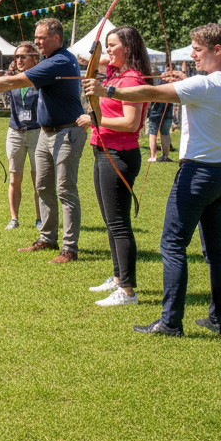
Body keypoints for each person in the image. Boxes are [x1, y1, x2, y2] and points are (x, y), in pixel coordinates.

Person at [85, 23, 221, 336]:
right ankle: (218, 319)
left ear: (217, 50)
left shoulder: (202, 85)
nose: (193, 55)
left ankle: (171, 322)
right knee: (216, 250)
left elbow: (151, 91)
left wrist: (108, 91)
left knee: (172, 247)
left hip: (197, 174)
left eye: (197, 50)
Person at [0, 18, 85, 263]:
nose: (37, 42)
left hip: (66, 132)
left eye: (41, 38)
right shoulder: (53, 60)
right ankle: (47, 238)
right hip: (46, 132)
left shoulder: (59, 61)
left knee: (65, 190)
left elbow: (13, 81)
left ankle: (69, 249)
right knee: (41, 187)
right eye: (36, 37)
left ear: (57, 39)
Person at [77, 26, 152, 307]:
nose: (108, 51)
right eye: (106, 46)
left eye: (112, 45)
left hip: (119, 153)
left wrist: (94, 120)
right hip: (103, 151)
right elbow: (95, 63)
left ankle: (128, 290)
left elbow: (132, 124)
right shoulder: (115, 75)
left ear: (128, 49)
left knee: (119, 224)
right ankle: (119, 278)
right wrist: (96, 55)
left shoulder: (131, 80)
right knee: (111, 221)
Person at [0, 43, 44, 232]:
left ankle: (40, 219)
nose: (19, 60)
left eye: (23, 57)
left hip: (36, 133)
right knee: (14, 179)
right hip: (15, 133)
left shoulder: (42, 80)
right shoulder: (12, 80)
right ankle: (14, 219)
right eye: (16, 57)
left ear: (35, 59)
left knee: (38, 180)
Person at [145, 67, 174, 162]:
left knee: (153, 132)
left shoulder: (154, 82)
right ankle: (165, 156)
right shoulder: (170, 82)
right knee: (165, 133)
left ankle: (153, 156)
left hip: (156, 111)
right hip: (166, 111)